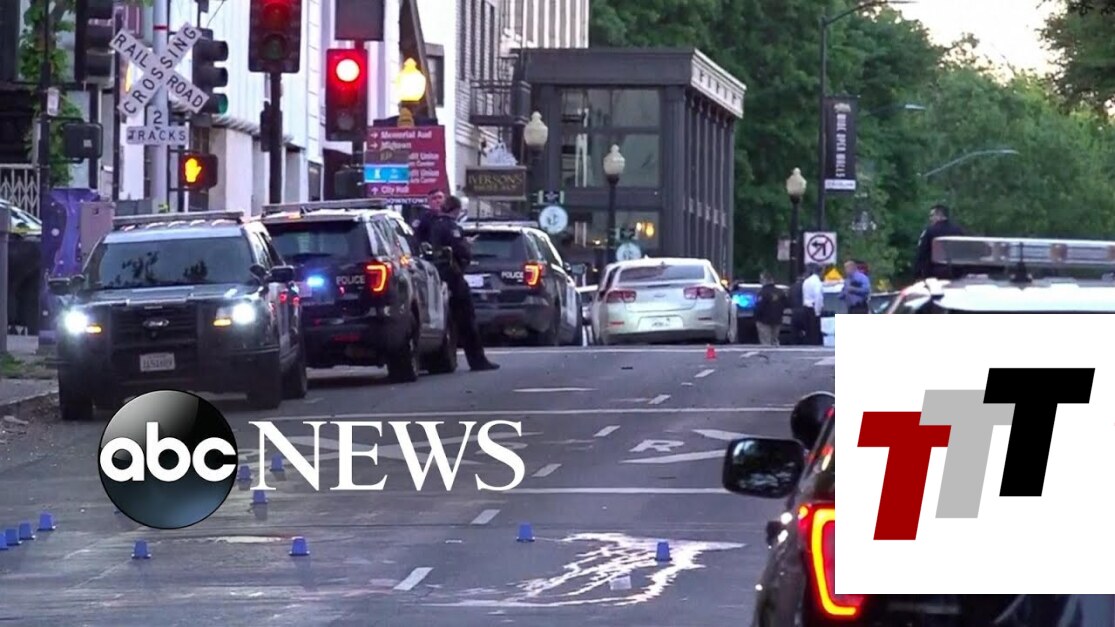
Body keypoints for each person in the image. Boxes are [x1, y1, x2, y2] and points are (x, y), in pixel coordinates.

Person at [427, 195, 499, 372]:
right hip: (453, 276)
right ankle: (477, 360)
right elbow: (461, 251)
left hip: (436, 277)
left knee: (446, 321)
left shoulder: (433, 225)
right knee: (467, 320)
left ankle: (443, 360)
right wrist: (467, 246)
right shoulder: (451, 227)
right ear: (457, 210)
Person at [914, 204, 965, 279]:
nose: (930, 219)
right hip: (957, 274)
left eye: (932, 216)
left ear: (939, 216)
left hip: (934, 274)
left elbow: (922, 253)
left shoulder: (930, 231)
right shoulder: (959, 231)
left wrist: (917, 273)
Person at [754, 272, 787, 346]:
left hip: (764, 320)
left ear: (764, 280)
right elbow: (785, 304)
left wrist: (756, 317)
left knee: (766, 341)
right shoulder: (780, 292)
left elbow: (759, 307)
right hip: (777, 320)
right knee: (775, 340)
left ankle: (768, 352)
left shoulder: (762, 292)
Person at [801, 264, 824, 345]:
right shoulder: (817, 282)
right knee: (815, 333)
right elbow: (818, 297)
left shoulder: (806, 281)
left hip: (806, 307)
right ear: (821, 272)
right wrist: (817, 311)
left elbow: (804, 295)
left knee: (808, 332)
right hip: (813, 309)